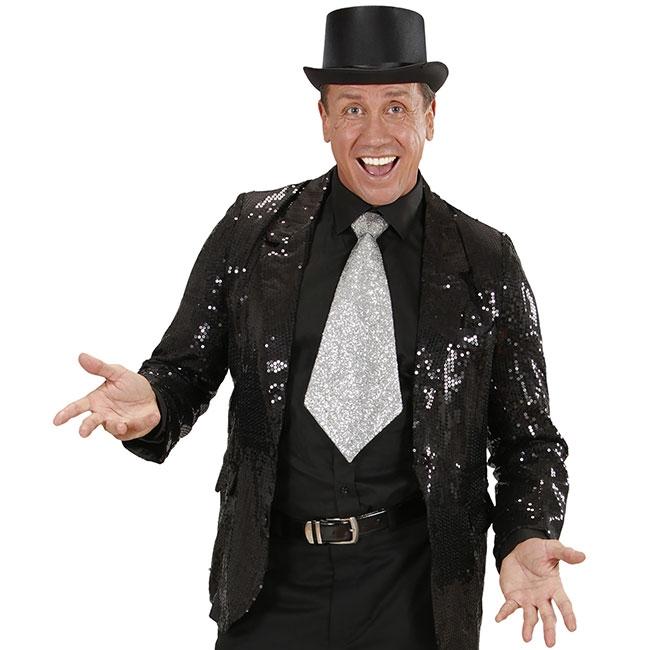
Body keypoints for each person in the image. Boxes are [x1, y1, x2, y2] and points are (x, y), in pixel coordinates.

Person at [52, 6, 586, 650]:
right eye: (352, 108)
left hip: (414, 589)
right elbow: (184, 372)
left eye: (396, 107)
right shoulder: (251, 232)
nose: (374, 133)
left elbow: (528, 437)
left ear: (430, 117)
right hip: (270, 584)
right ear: (325, 119)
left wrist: (526, 532)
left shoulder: (486, 260)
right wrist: (156, 403)